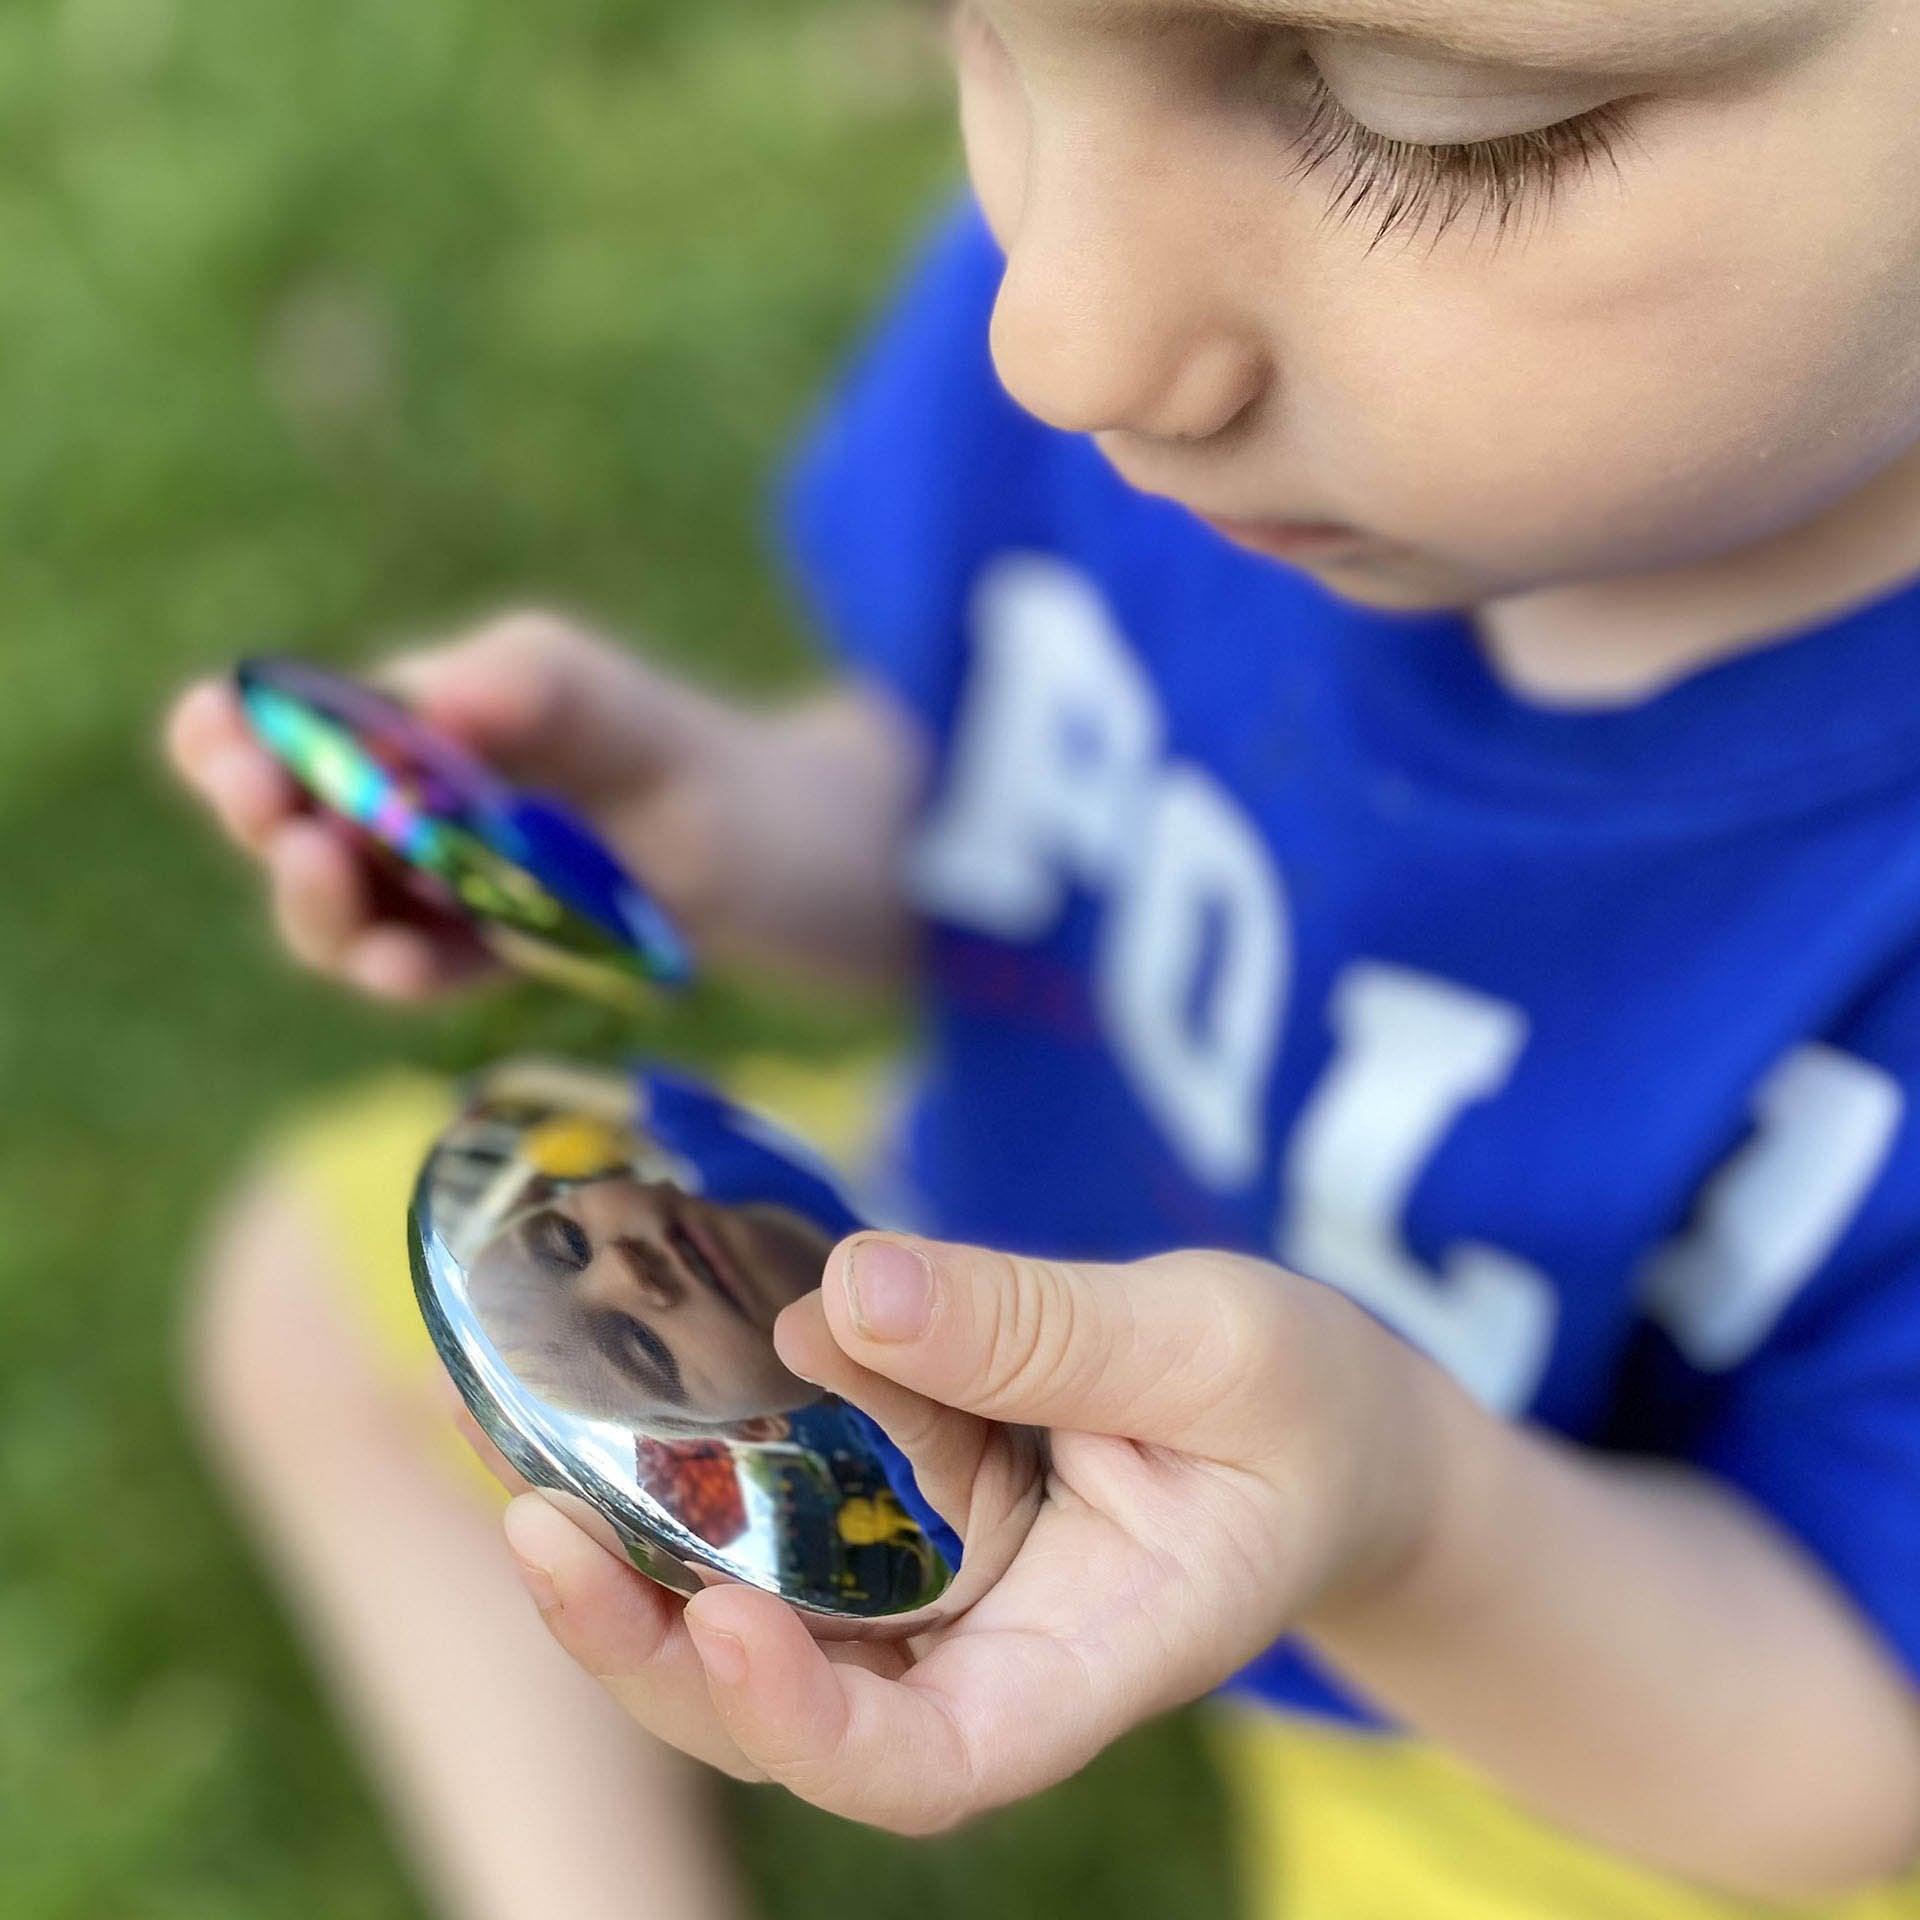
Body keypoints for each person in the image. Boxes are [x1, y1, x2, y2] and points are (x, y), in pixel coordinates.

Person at [169, 0, 1920, 1912]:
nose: (1062, 339)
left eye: (1426, 126)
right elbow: (1014, 844)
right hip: (957, 1285)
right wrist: (730, 827)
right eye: (990, 32)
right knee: (310, 1298)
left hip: (1561, 1698)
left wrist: (1400, 1517)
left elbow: (1847, 1755)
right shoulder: (1151, 297)